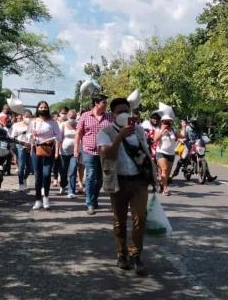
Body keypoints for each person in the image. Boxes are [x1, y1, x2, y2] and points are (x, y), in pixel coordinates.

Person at [98, 97, 154, 276]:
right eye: (119, 111)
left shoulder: (138, 130)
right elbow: (107, 155)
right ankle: (121, 254)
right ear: (112, 114)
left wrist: (152, 175)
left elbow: (145, 153)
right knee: (119, 221)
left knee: (140, 218)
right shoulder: (105, 131)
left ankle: (136, 255)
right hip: (118, 181)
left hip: (139, 181)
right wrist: (120, 137)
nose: (123, 114)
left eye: (126, 111)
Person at [75, 94, 114, 215]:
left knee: (100, 179)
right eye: (104, 102)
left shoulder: (109, 117)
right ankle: (90, 204)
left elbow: (114, 133)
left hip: (104, 153)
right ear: (96, 103)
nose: (106, 105)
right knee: (90, 176)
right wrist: (76, 149)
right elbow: (78, 133)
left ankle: (94, 198)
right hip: (89, 151)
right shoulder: (85, 116)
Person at [28, 101, 60, 210]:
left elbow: (58, 136)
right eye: (41, 107)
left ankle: (46, 196)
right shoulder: (33, 121)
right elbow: (28, 136)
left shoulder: (53, 122)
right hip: (36, 149)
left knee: (46, 175)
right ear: (38, 109)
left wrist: (49, 139)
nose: (43, 109)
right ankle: (38, 200)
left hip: (48, 149)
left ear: (48, 108)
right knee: (38, 176)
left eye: (45, 107)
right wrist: (32, 135)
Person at [154, 114, 184, 196]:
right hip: (161, 152)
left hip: (171, 153)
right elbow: (155, 139)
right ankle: (165, 188)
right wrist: (162, 131)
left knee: (167, 173)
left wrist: (183, 127)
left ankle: (162, 183)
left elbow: (182, 135)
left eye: (169, 122)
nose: (167, 123)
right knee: (165, 169)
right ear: (162, 122)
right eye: (165, 122)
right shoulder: (158, 129)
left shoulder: (173, 130)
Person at [11, 110, 33, 191]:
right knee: (22, 165)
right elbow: (13, 138)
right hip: (20, 146)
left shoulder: (34, 125)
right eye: (26, 116)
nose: (28, 118)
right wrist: (14, 152)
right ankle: (20, 183)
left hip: (30, 146)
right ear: (23, 117)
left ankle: (24, 178)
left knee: (30, 167)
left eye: (29, 117)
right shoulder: (16, 125)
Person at [58, 109, 79, 198]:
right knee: (63, 171)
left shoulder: (78, 125)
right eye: (71, 117)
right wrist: (57, 151)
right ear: (67, 116)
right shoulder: (63, 125)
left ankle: (71, 191)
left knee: (72, 171)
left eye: (74, 117)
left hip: (75, 152)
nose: (73, 119)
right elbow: (59, 139)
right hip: (63, 152)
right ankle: (63, 185)